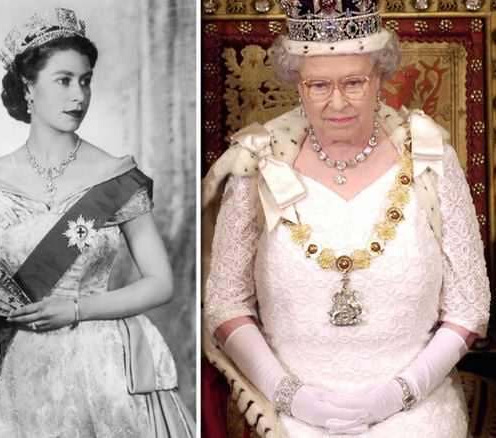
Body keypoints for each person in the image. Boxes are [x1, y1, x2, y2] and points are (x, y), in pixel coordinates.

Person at [202, 0, 491, 436]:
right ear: (299, 86)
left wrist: (402, 391)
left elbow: (470, 303)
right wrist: (289, 395)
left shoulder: (431, 159)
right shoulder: (257, 164)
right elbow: (225, 302)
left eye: (354, 82)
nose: (337, 102)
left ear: (379, 80)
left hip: (415, 408)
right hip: (288, 410)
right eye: (319, 85)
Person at [0, 8, 193, 438]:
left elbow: (161, 283)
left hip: (104, 372)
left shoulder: (116, 177)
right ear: (28, 87)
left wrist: (77, 309)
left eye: (85, 81)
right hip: (11, 370)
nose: (78, 96)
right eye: (63, 80)